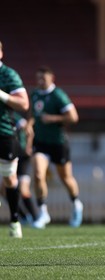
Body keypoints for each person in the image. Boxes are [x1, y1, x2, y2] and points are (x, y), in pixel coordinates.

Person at [28, 65, 83, 228]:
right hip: (40, 143)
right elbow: (32, 115)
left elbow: (73, 117)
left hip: (58, 143)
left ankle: (76, 204)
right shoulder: (35, 94)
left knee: (65, 178)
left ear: (51, 78)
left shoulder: (58, 95)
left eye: (43, 78)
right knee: (38, 175)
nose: (40, 81)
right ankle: (43, 213)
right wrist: (29, 125)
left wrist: (51, 119)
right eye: (38, 78)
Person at [0, 40, 30, 237]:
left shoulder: (8, 75)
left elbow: (24, 104)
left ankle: (14, 220)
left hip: (3, 132)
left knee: (10, 179)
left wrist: (2, 96)